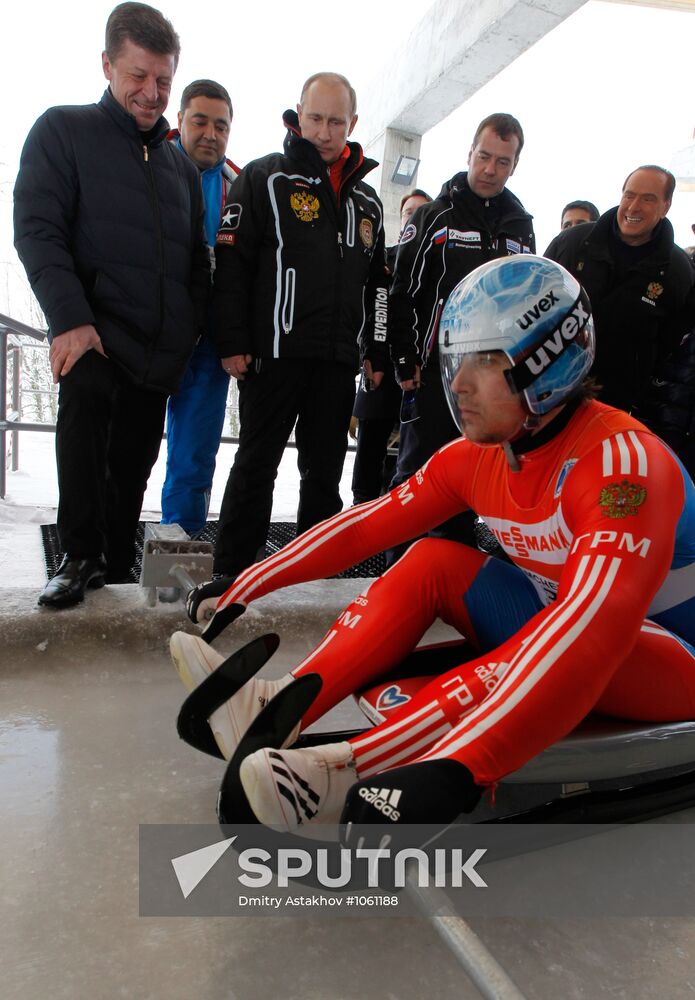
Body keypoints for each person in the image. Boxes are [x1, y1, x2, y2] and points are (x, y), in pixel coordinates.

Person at [171, 255, 695, 835]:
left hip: (673, 657)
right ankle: (279, 705)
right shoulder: (483, 454)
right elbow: (367, 525)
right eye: (456, 360)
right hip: (579, 624)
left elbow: (593, 624)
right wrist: (250, 582)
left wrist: (458, 768)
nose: (460, 384)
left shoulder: (624, 466)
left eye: (486, 361)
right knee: (431, 560)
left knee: (561, 627)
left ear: (547, 363)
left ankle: (349, 768)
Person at [13, 1, 209, 609]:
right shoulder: (63, 131)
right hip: (93, 333)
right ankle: (78, 556)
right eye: (138, 78)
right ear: (107, 65)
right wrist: (69, 320)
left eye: (163, 82)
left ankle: (116, 562)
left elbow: (190, 265)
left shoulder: (178, 165)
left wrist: (185, 340)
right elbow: (37, 228)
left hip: (156, 354)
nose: (151, 94)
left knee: (132, 469)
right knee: (86, 433)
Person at [208, 71, 387, 586]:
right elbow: (232, 265)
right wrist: (234, 341)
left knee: (324, 475)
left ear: (352, 124)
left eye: (336, 121)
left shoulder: (368, 202)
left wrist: (374, 348)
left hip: (336, 362)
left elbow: (377, 284)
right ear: (298, 115)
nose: (325, 132)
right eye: (315, 118)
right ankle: (232, 574)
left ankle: (316, 573)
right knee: (256, 465)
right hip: (273, 356)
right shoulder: (264, 178)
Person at [386, 112, 535, 554]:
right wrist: (403, 357)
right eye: (484, 157)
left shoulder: (520, 223)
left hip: (491, 383)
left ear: (514, 165)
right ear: (469, 153)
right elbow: (402, 291)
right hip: (434, 375)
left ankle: (448, 581)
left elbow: (526, 299)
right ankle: (393, 575)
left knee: (469, 480)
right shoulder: (435, 215)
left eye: (502, 162)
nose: (490, 169)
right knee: (415, 476)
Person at [545, 166, 695, 415]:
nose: (634, 207)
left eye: (648, 199)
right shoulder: (571, 244)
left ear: (666, 206)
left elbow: (672, 352)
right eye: (629, 195)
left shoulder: (679, 271)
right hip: (554, 398)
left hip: (620, 409)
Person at [160, 79, 241, 537]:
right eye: (200, 121)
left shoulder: (240, 184)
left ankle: (179, 547)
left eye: (221, 125)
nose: (210, 133)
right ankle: (104, 558)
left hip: (209, 346)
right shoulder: (147, 164)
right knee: (123, 450)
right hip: (148, 337)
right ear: (180, 120)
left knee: (194, 455)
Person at [351, 189, 432, 506]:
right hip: (379, 373)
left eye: (421, 211)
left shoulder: (435, 264)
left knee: (410, 462)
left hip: (418, 376)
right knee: (369, 455)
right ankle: (360, 513)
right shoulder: (381, 260)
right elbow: (369, 315)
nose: (413, 217)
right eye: (408, 212)